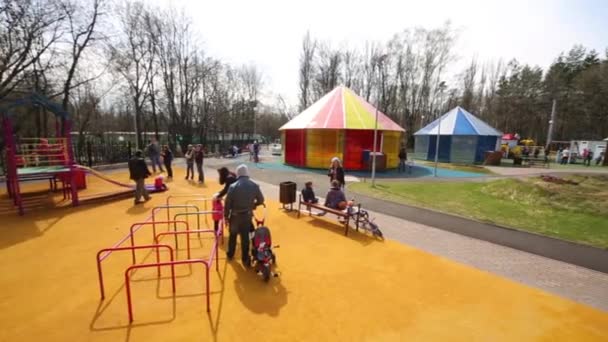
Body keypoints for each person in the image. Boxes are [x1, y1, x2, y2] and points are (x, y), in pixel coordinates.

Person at [224, 164, 265, 266]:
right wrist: (253, 205)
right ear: (247, 173)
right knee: (245, 237)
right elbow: (261, 200)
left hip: (234, 216)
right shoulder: (254, 185)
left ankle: (230, 254)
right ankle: (245, 258)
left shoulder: (233, 187)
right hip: (247, 216)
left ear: (238, 174)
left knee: (233, 236)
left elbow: (227, 203)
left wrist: (226, 216)